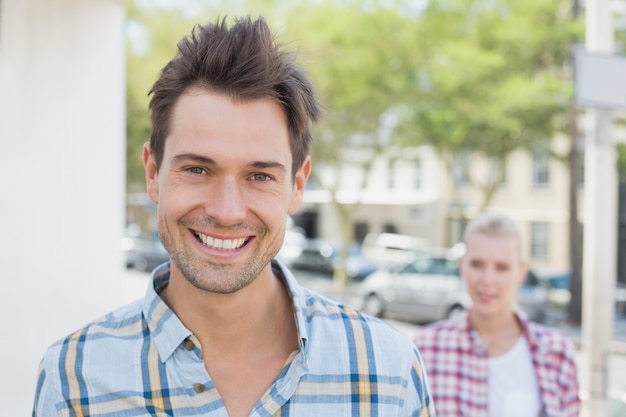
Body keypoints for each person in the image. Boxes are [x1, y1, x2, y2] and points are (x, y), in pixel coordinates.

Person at [33, 16, 435, 417]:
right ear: (153, 173)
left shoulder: (388, 373)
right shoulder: (73, 380)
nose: (226, 212)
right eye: (196, 170)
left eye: (259, 176)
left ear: (298, 185)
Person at [414, 212, 579, 417]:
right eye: (477, 265)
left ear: (521, 271)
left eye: (502, 268)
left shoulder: (557, 353)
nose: (488, 280)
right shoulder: (426, 348)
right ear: (462, 265)